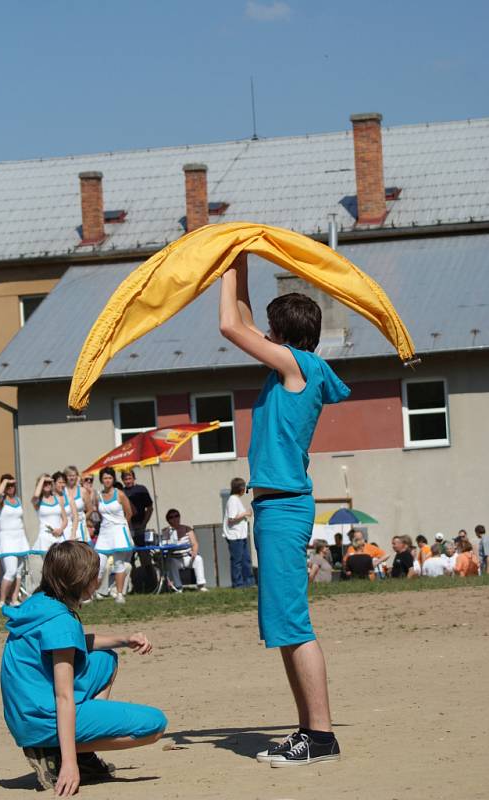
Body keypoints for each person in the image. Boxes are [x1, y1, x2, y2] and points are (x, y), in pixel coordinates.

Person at [220, 253, 349, 767]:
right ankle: (310, 733)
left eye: (270, 332)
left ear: (283, 336)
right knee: (284, 625)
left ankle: (319, 737)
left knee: (294, 625)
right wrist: (239, 257)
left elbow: (231, 324)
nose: (262, 336)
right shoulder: (293, 364)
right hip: (277, 508)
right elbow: (247, 320)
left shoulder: (298, 367)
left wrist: (221, 267)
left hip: (284, 508)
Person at [0, 540, 167, 794]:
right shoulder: (61, 622)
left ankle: (77, 752)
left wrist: (124, 639)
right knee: (154, 726)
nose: (97, 580)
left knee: (104, 658)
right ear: (78, 580)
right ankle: (60, 754)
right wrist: (69, 763)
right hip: (41, 719)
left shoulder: (40, 602)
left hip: (24, 711)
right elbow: (63, 695)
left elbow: (72, 644)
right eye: (93, 575)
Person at [95, 468, 133, 605]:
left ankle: (119, 594)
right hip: (105, 533)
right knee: (99, 564)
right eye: (105, 478)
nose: (107, 480)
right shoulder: (98, 496)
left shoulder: (120, 494)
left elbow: (129, 513)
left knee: (119, 563)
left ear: (113, 479)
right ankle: (93, 592)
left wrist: (121, 527)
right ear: (101, 480)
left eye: (110, 478)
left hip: (118, 532)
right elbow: (99, 514)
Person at [0, 474, 31, 607]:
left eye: (12, 485)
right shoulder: (0, 500)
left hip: (20, 538)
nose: (11, 488)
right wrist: (5, 481)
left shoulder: (18, 500)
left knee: (18, 571)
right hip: (7, 539)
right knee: (10, 570)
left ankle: (14, 599)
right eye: (8, 485)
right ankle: (1, 600)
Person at [163, 509, 208, 592]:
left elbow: (195, 543)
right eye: (172, 517)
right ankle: (178, 587)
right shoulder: (166, 531)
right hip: (176, 559)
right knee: (171, 562)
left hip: (187, 557)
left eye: (177, 516)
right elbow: (164, 545)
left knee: (198, 559)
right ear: (168, 520)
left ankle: (201, 585)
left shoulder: (187, 529)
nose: (175, 518)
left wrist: (194, 552)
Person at [222, 478, 255, 588]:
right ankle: (238, 584)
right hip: (235, 536)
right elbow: (231, 518)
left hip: (241, 535)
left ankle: (249, 582)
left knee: (246, 560)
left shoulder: (236, 499)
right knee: (237, 561)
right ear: (240, 488)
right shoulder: (232, 500)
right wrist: (245, 513)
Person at [31, 475, 68, 557]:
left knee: (60, 566)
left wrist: (60, 529)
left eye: (49, 483)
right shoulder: (37, 501)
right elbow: (36, 495)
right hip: (45, 538)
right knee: (48, 567)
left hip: (58, 537)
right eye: (45, 483)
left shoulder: (58, 499)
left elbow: (65, 519)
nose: (47, 485)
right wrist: (43, 479)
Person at [64, 466, 91, 543]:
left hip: (80, 525)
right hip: (67, 526)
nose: (72, 478)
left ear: (77, 476)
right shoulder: (62, 492)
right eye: (69, 476)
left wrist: (83, 518)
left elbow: (90, 509)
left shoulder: (83, 491)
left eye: (73, 475)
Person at [52, 471, 79, 543]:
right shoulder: (51, 499)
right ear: (54, 484)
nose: (62, 485)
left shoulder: (69, 498)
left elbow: (76, 517)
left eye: (64, 482)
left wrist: (73, 533)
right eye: (60, 482)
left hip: (69, 532)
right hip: (55, 532)